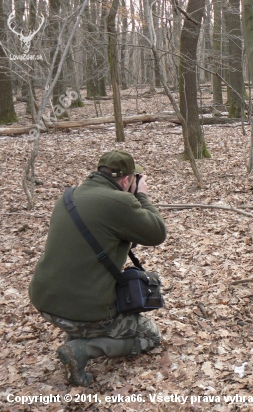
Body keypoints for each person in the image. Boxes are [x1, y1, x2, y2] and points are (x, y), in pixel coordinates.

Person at [29, 150, 167, 387]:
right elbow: (157, 232)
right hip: (85, 310)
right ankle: (83, 348)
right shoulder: (120, 201)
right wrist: (142, 196)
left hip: (44, 301)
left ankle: (77, 331)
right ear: (126, 180)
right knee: (150, 336)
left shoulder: (69, 197)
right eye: (136, 178)